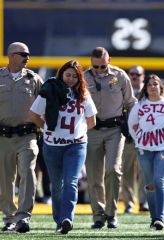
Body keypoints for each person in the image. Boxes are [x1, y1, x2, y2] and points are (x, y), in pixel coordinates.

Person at [30, 60, 97, 234]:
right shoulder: (49, 89)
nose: (71, 79)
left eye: (75, 76)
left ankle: (67, 218)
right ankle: (59, 220)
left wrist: (78, 132)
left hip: (76, 145)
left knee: (71, 182)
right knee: (57, 185)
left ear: (79, 77)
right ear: (61, 74)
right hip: (52, 145)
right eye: (68, 75)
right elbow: (34, 115)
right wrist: (46, 129)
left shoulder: (83, 94)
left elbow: (92, 120)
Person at [84, 47, 136, 229]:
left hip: (115, 129)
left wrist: (131, 126)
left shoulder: (120, 76)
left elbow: (131, 103)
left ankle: (111, 213)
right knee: (93, 174)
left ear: (110, 60)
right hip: (92, 129)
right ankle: (98, 215)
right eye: (95, 66)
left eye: (103, 66)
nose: (99, 70)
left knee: (113, 170)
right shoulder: (83, 77)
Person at [0, 42, 43, 233]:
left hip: (28, 135)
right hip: (3, 135)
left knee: (28, 173)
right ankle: (9, 217)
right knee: (5, 178)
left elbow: (44, 105)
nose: (27, 57)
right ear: (11, 56)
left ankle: (23, 218)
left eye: (28, 54)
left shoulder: (34, 79)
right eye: (23, 54)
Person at [128, 74, 164, 230]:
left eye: (155, 84)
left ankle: (159, 218)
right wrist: (141, 140)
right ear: (145, 88)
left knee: (160, 180)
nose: (153, 87)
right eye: (149, 85)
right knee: (149, 183)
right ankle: (153, 217)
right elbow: (132, 125)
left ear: (160, 86)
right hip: (144, 148)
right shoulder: (139, 105)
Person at [121, 65, 148, 214]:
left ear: (143, 76)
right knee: (127, 172)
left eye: (137, 74)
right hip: (128, 140)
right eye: (132, 74)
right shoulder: (124, 91)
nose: (134, 77)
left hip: (145, 139)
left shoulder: (149, 90)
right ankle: (129, 203)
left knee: (145, 172)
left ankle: (144, 201)